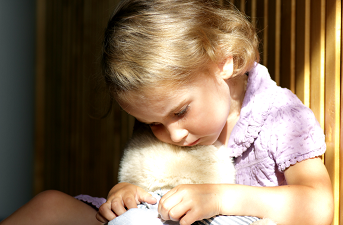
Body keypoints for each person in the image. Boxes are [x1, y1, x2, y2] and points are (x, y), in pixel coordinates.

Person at [0, 0, 333, 225]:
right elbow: (147, 183)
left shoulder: (278, 114)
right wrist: (123, 193)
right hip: (153, 216)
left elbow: (318, 206)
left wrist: (218, 199)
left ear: (225, 61)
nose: (173, 134)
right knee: (50, 206)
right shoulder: (170, 124)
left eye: (181, 112)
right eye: (153, 123)